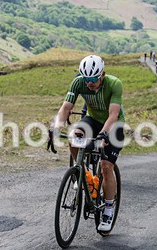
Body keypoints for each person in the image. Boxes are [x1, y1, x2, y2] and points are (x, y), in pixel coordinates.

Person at [48, 54, 125, 233]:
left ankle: (108, 209)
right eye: (86, 79)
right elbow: (66, 108)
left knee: (106, 167)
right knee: (74, 136)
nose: (89, 83)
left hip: (113, 125)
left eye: (93, 79)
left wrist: (104, 134)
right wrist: (56, 128)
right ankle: (82, 174)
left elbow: (113, 115)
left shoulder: (114, 84)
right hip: (92, 119)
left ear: (102, 75)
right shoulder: (79, 82)